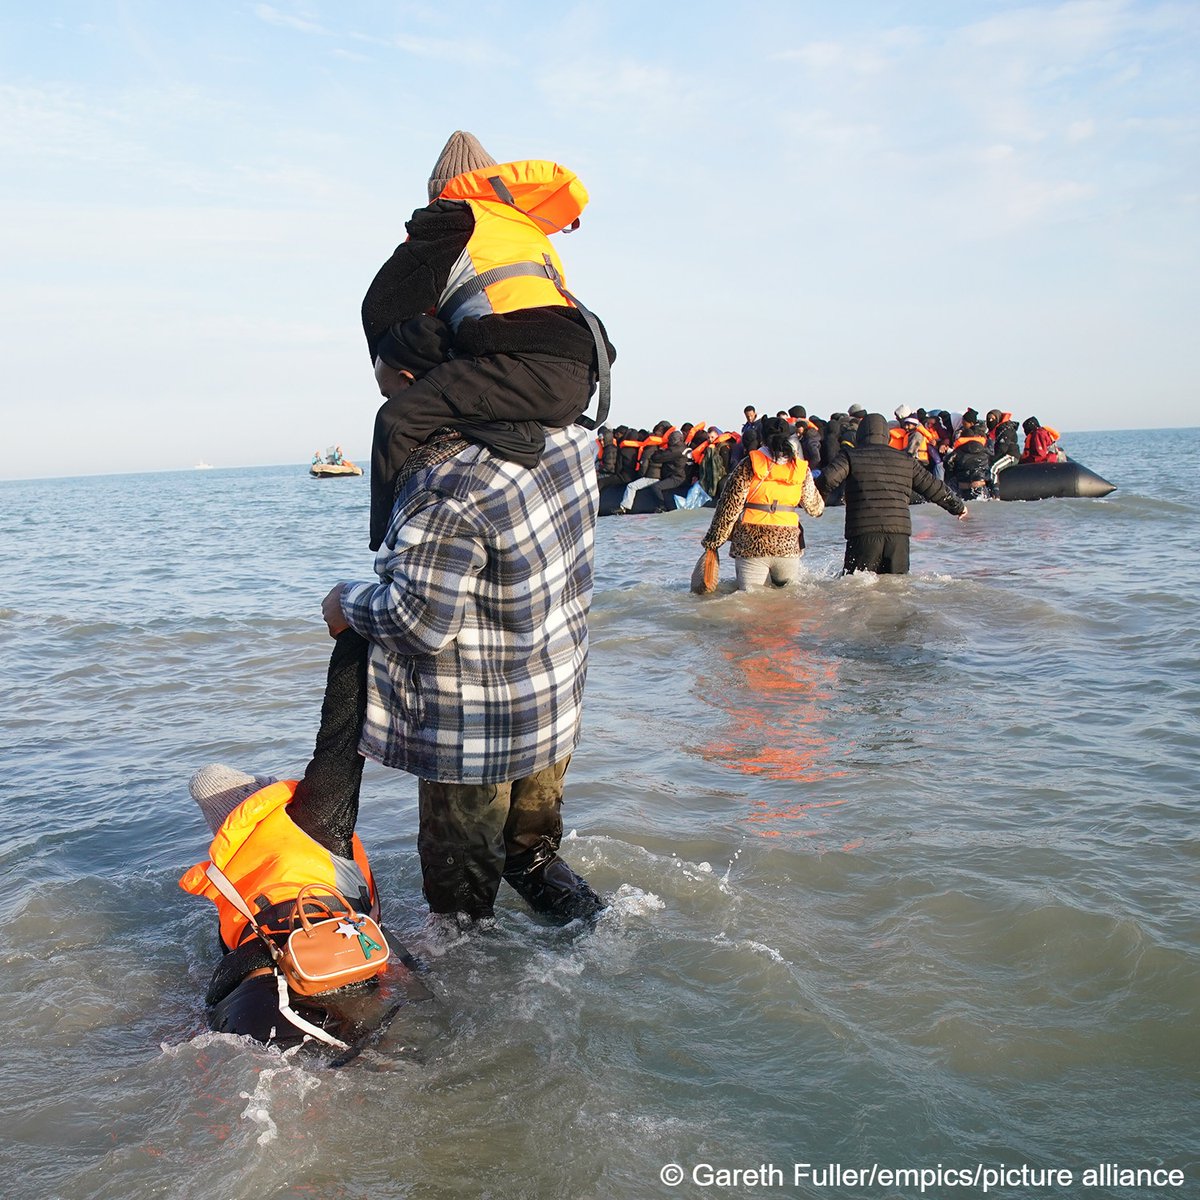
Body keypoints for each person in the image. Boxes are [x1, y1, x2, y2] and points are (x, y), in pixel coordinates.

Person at [361, 130, 614, 551]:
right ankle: (513, 435)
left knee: (395, 423)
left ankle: (387, 548)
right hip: (581, 383)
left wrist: (392, 366)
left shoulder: (452, 218)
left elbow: (380, 308)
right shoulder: (522, 228)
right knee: (462, 388)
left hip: (525, 366)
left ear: (440, 193)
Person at [180, 631, 425, 1050]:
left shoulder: (227, 879)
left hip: (245, 999)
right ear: (259, 797)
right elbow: (341, 735)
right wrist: (351, 632)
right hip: (328, 966)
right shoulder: (314, 819)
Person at [817, 412, 967, 575]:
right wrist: (958, 507)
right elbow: (933, 486)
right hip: (898, 537)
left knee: (858, 588)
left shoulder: (850, 456)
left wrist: (813, 500)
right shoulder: (905, 460)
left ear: (859, 434)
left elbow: (827, 479)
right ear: (887, 435)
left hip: (863, 533)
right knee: (897, 590)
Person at [699, 417, 825, 590]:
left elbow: (729, 508)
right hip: (787, 545)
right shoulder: (801, 469)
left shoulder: (749, 464)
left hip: (752, 545)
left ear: (762, 438)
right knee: (788, 605)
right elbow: (815, 508)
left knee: (751, 604)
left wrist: (713, 542)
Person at [615, 429, 687, 513]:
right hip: (673, 476)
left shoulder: (670, 450)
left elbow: (654, 460)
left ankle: (661, 506)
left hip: (669, 477)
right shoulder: (681, 448)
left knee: (633, 486)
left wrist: (640, 475)